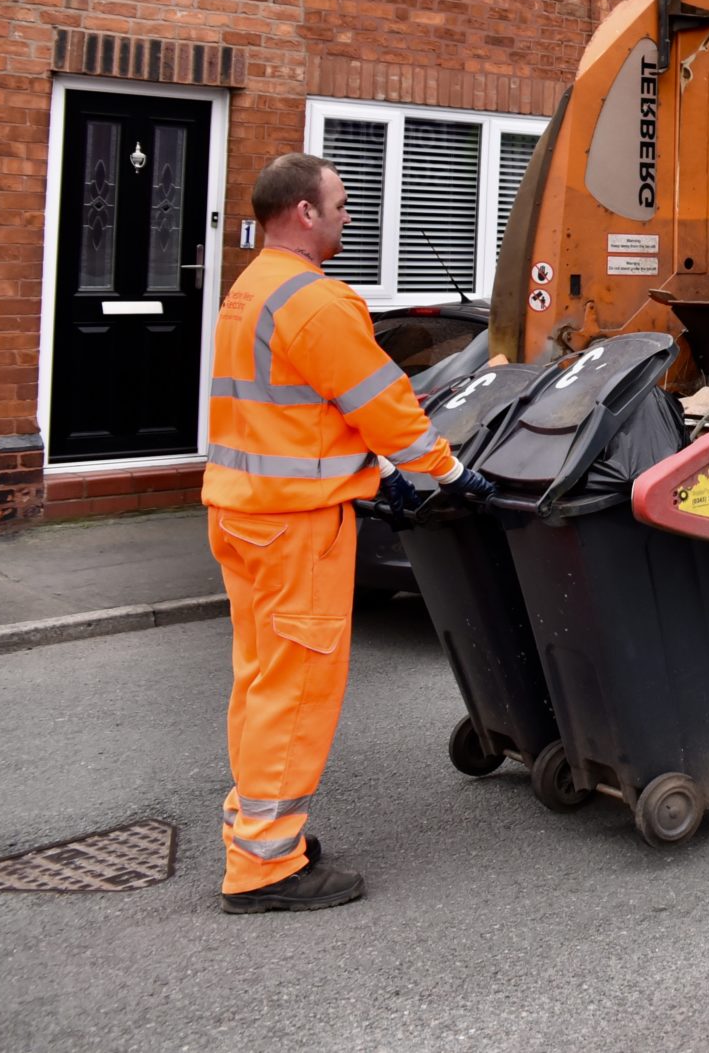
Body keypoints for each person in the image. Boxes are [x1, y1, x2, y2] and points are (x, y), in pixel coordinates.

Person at [204, 152, 488, 913]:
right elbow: (384, 401)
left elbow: (303, 406)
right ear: (303, 212)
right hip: (296, 524)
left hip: (243, 511)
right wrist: (447, 471)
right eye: (340, 202)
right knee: (296, 689)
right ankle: (265, 866)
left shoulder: (250, 288)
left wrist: (376, 474)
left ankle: (261, 828)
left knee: (262, 682)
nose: (348, 214)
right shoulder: (316, 300)